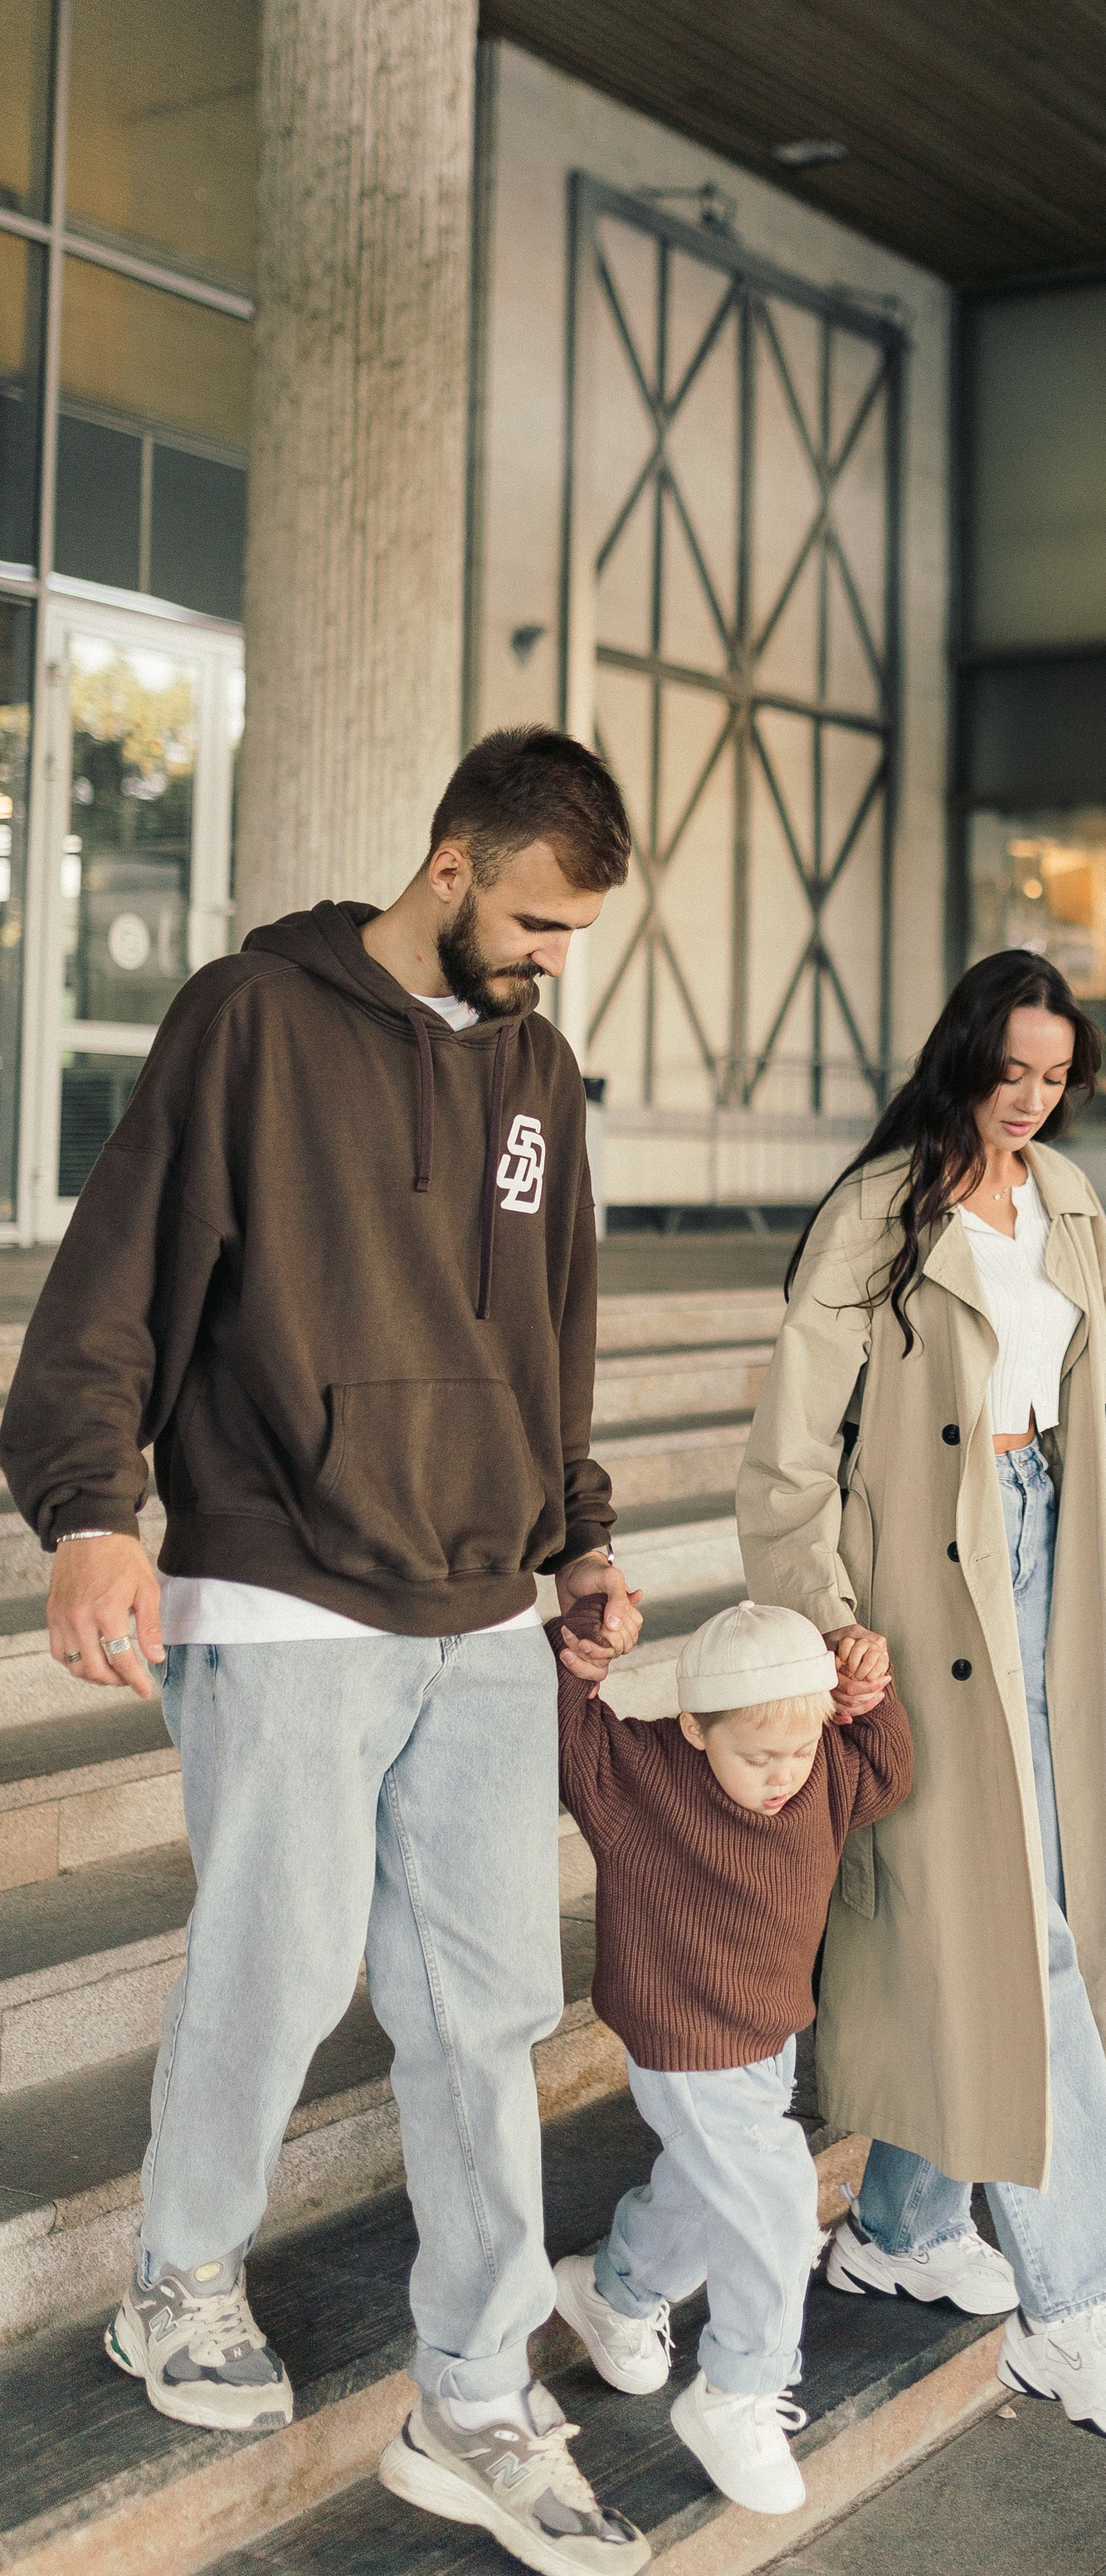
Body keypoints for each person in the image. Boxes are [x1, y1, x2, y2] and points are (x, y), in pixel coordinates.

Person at [0, 726, 654, 2576]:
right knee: (278, 1969)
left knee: (485, 2014)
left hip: (483, 1606)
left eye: (571, 933)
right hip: (282, 1581)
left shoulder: (535, 1070)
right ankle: (176, 2273)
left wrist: (580, 1538)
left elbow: (556, 1327)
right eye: (532, 919)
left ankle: (473, 2389)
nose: (548, 959)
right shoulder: (250, 1021)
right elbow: (113, 1280)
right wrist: (89, 1512)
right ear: (450, 867)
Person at [736, 949, 1106, 2443]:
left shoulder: (1071, 1209)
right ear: (961, 1056)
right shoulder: (877, 1214)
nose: (1028, 1101)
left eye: (1053, 1077)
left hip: (1053, 1570)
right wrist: (827, 1616)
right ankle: (1073, 2308)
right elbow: (787, 1456)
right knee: (1008, 1932)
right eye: (1008, 1071)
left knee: (1033, 1904)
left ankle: (898, 2228)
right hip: (917, 1597)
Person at [545, 1594, 910, 2515]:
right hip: (681, 2034)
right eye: (758, 1756)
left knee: (714, 2185)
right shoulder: (643, 1777)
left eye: (800, 1749)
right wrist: (578, 1663)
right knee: (779, 2201)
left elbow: (886, 1773)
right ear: (694, 1726)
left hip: (765, 2029)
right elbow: (566, 1740)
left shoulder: (820, 1766)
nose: (783, 1775)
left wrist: (868, 1695)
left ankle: (617, 2290)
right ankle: (737, 2392)